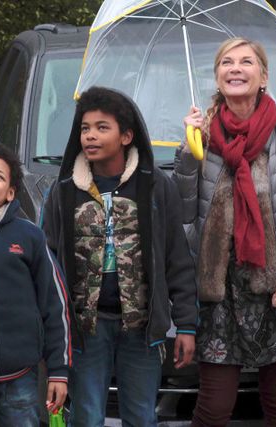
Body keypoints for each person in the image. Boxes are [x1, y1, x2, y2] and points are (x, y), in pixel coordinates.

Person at [173, 37, 276, 426]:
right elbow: (180, 212)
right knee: (214, 408)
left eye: (246, 62)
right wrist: (187, 151)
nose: (235, 68)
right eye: (226, 62)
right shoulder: (202, 137)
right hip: (219, 292)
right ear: (217, 77)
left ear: (263, 76)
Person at [42, 86, 199, 426]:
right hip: (85, 329)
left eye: (102, 127)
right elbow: (47, 262)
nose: (90, 136)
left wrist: (186, 324)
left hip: (141, 328)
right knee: (86, 417)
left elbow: (178, 259)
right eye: (85, 128)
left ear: (127, 135)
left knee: (142, 416)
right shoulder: (65, 190)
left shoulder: (156, 186)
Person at [0, 143, 70, 425]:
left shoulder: (29, 237)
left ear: (10, 193)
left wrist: (59, 371)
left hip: (22, 379)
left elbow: (55, 305)